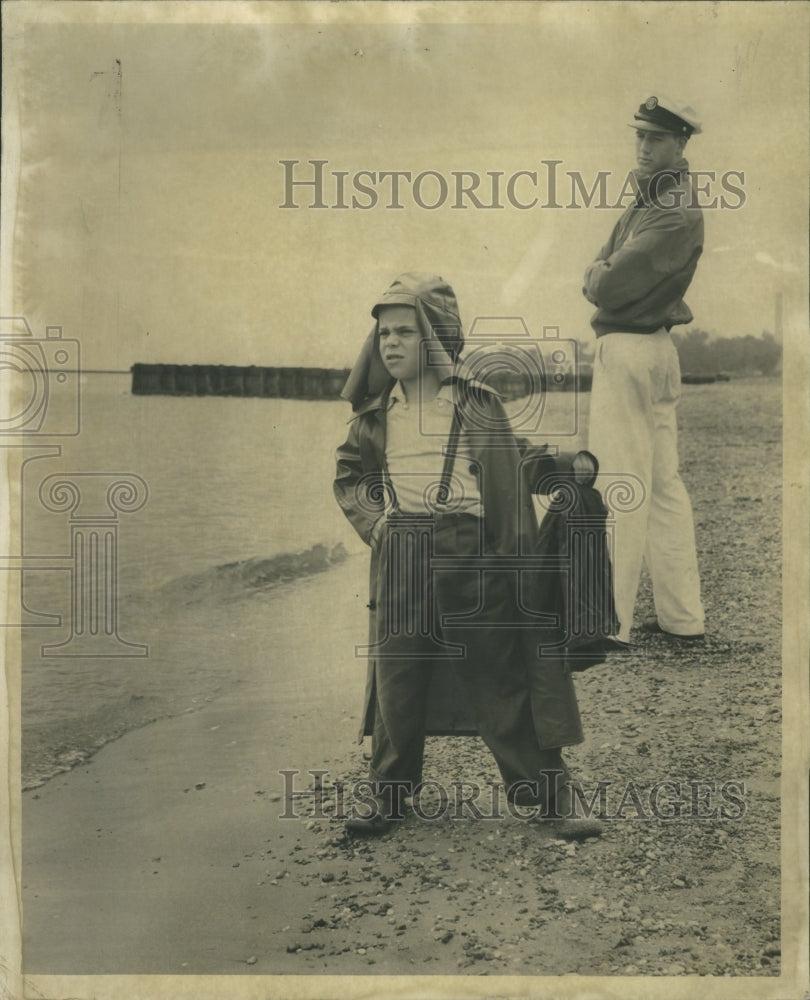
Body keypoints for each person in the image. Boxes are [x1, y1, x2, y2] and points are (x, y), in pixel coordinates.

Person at [334, 272, 602, 839]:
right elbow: (352, 476)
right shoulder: (378, 416)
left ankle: (551, 801)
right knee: (396, 683)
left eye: (405, 331)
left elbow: (517, 459)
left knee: (501, 680)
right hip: (402, 553)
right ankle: (389, 798)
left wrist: (565, 467)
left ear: (435, 338)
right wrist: (375, 520)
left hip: (471, 555)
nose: (391, 343)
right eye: (383, 334)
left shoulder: (476, 406)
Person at [583, 94, 706, 646]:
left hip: (633, 351)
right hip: (651, 349)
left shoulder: (670, 208)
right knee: (660, 485)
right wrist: (600, 269)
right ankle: (682, 618)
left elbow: (604, 281)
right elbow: (604, 260)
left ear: (680, 144)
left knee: (622, 483)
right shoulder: (652, 198)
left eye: (655, 138)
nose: (643, 146)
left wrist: (596, 275)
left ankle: (609, 624)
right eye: (639, 136)